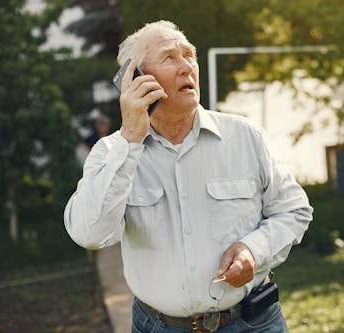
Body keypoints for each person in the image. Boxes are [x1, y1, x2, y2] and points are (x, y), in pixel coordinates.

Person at [64, 20, 313, 333]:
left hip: (253, 323)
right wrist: (130, 137)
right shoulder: (111, 152)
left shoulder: (246, 137)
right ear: (135, 79)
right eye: (169, 58)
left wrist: (254, 249)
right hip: (158, 326)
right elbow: (90, 233)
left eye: (189, 55)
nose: (186, 67)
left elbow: (294, 210)